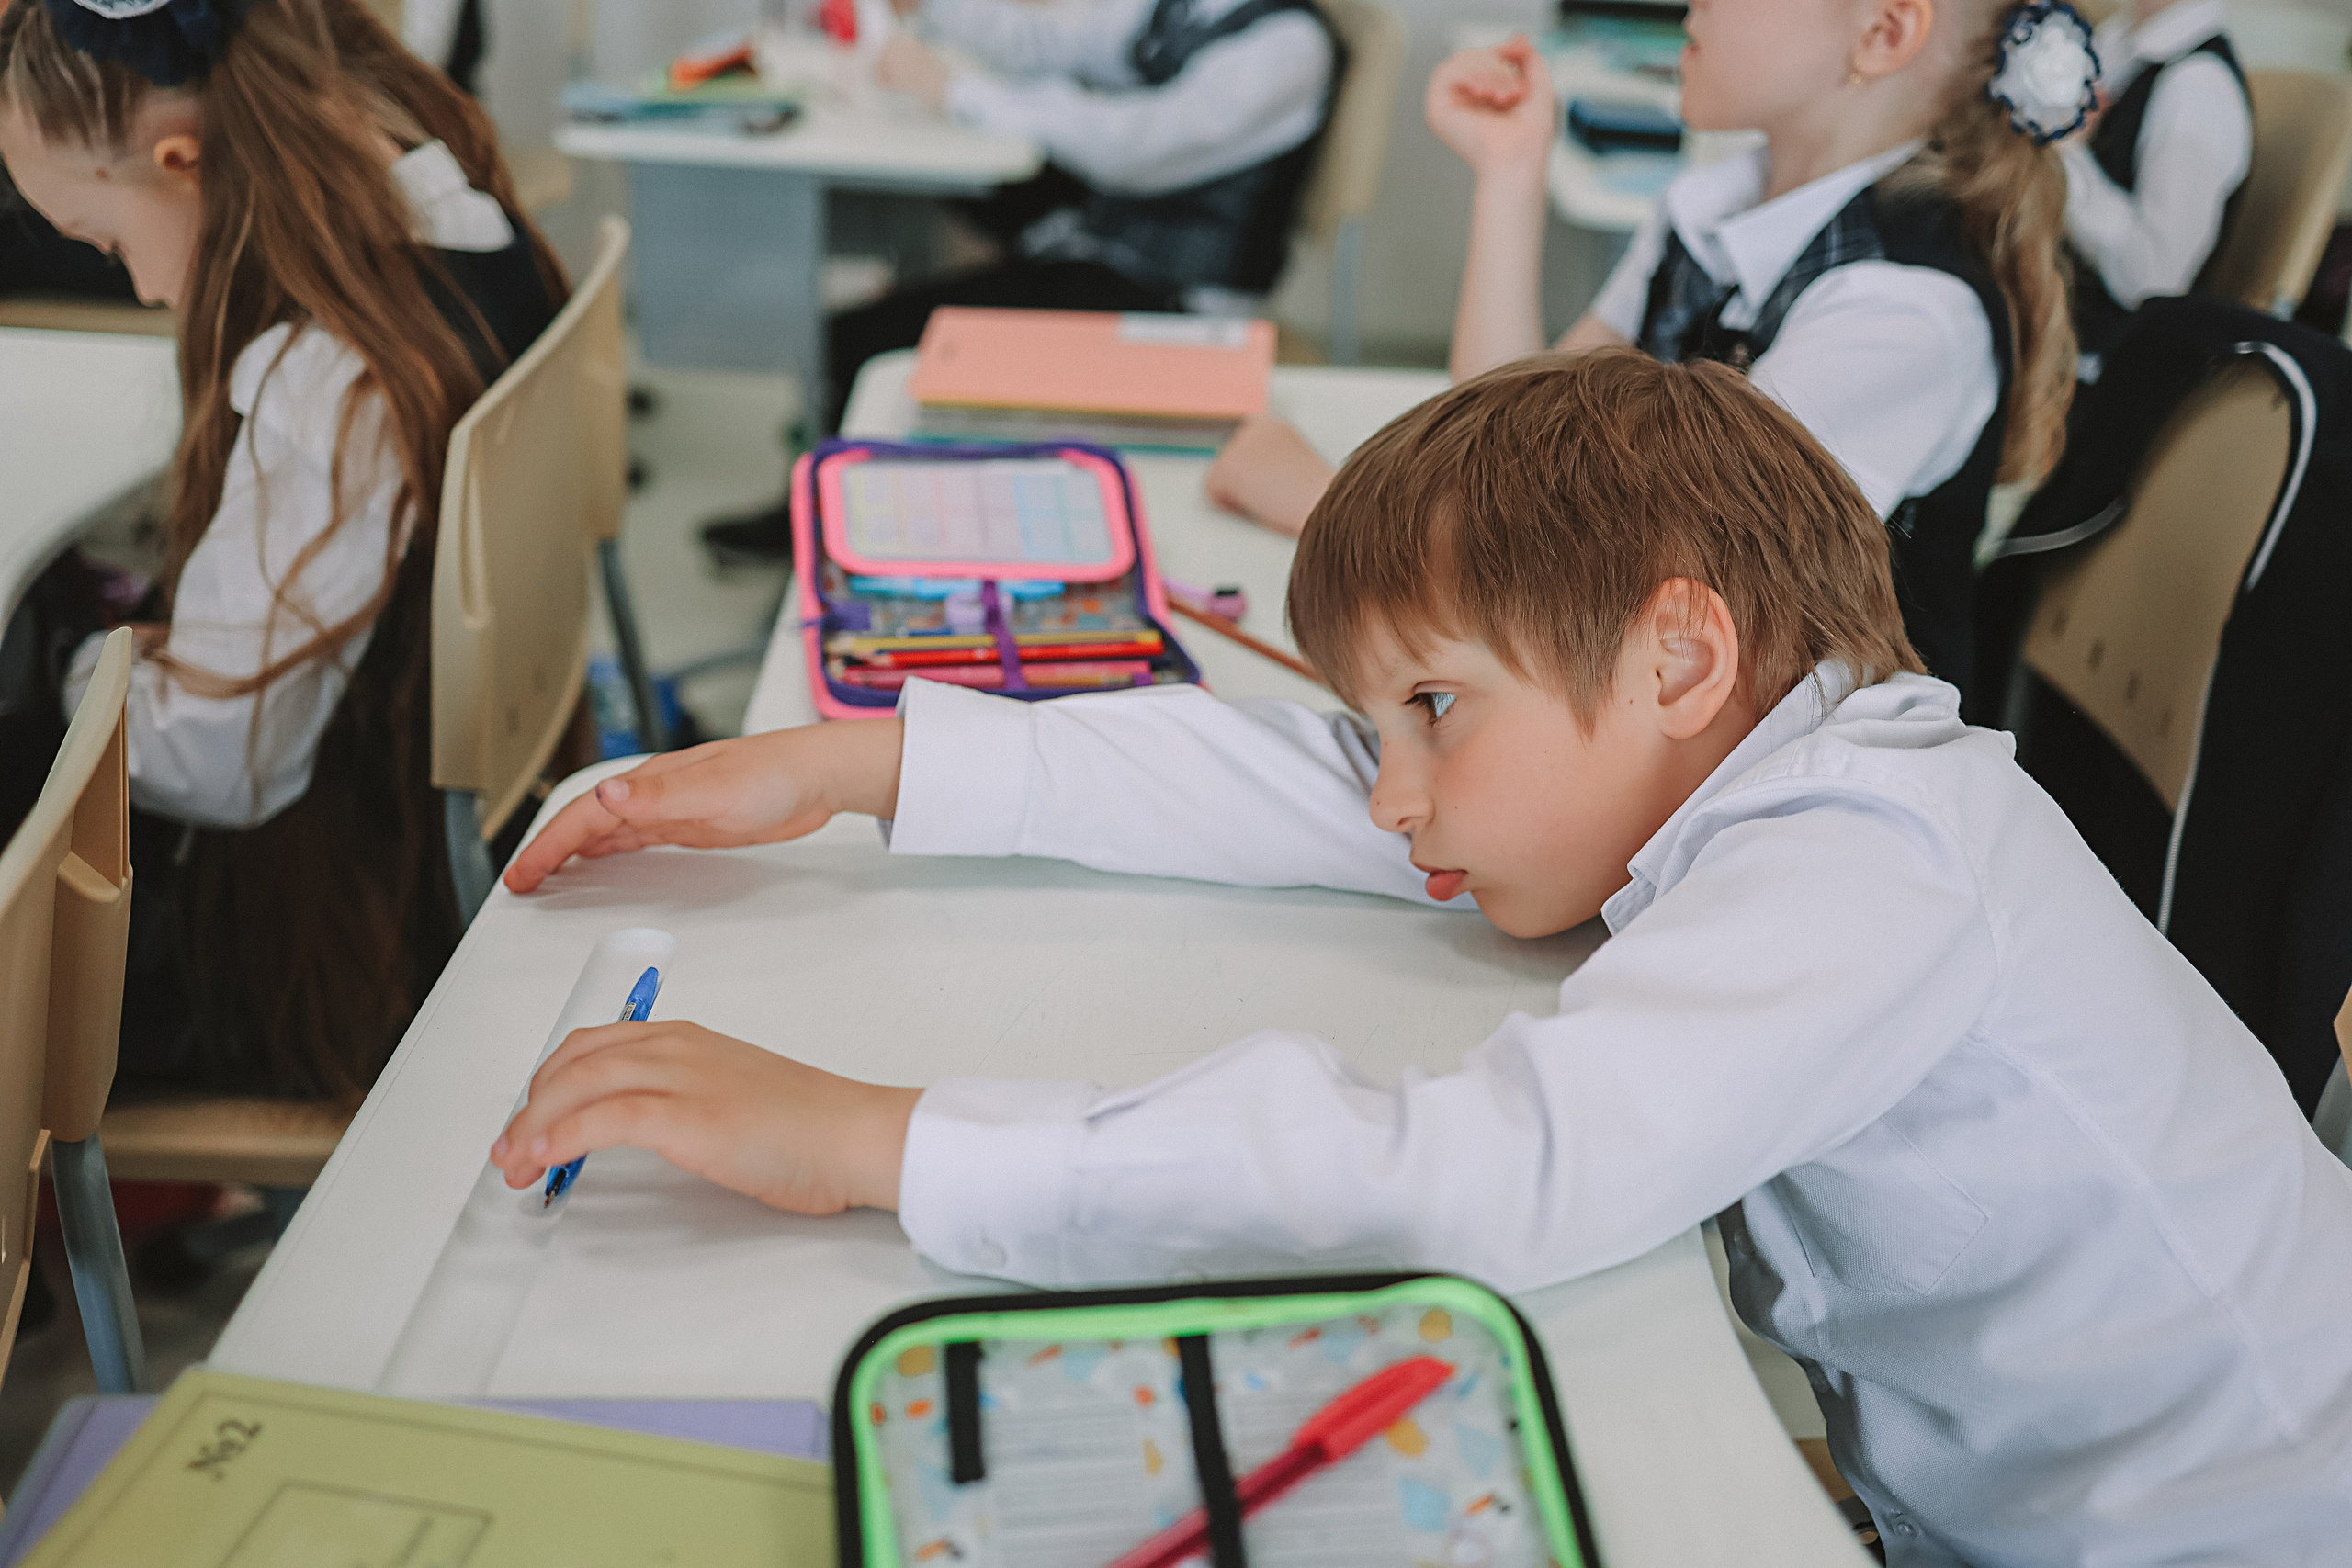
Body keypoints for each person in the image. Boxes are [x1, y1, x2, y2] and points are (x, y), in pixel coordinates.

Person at [492, 353, 2352, 1562]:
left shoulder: (1871, 862)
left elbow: (1495, 1173)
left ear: (1675, 656)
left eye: (1429, 709)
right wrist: (838, 762)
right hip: (1990, 1499)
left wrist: (885, 1142)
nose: (1392, 794)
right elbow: (1289, 778)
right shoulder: (1721, 769)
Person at [1208, 0, 2093, 716]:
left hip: (1809, 794)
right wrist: (1511, 172)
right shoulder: (1718, 205)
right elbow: (1505, 443)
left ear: (1885, 32)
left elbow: (1628, 587)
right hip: (1657, 719)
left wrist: (1327, 505)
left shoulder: (1901, 313)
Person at [0, 0, 564, 1103]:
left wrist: (66, 663)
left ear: (181, 160)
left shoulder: (331, 386)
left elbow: (224, 762)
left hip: (312, 963)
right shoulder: (452, 208)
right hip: (400, 867)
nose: (147, 290)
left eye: (109, 245)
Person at [698, 0, 1341, 564]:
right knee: (945, 229)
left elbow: (1129, 148)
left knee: (863, 341)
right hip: (1101, 250)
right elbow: (1051, 45)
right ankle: (841, 510)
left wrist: (958, 92)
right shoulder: (1183, 7)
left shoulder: (1286, 48)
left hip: (1176, 299)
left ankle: (827, 536)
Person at [2061, 0, 2252, 373]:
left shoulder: (2197, 88)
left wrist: (2061, 155)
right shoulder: (2115, 42)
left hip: (2088, 363)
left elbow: (2151, 277)